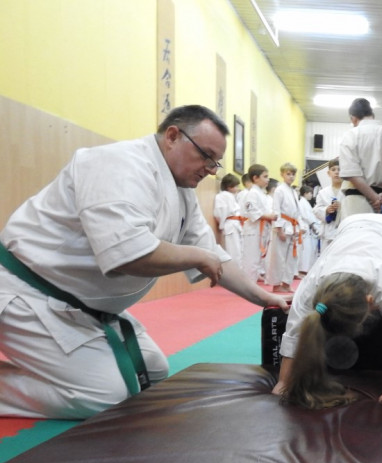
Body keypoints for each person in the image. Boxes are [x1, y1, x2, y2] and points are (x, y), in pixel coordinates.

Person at [0, 104, 289, 419]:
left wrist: (264, 298)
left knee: (152, 371)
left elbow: (214, 256)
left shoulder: (181, 191)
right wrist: (197, 256)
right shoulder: (117, 164)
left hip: (86, 307)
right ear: (173, 136)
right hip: (29, 294)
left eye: (215, 162)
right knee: (104, 395)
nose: (210, 169)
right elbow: (128, 255)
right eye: (206, 156)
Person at [272, 213, 382, 409]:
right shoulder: (312, 285)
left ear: (370, 301)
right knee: (301, 316)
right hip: (349, 226)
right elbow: (295, 329)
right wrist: (284, 381)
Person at [338, 98, 382, 220]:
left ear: (353, 118)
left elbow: (352, 174)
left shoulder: (351, 135)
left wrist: (375, 198)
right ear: (373, 116)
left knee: (356, 232)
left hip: (356, 204)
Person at [265, 162, 304, 293]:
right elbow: (276, 210)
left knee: (292, 257)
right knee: (278, 257)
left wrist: (300, 227)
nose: (291, 176)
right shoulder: (279, 190)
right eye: (288, 174)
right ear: (282, 174)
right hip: (283, 226)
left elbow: (297, 212)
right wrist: (279, 229)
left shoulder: (293, 191)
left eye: (293, 174)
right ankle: (276, 285)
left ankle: (287, 283)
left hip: (292, 227)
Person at [240, 164, 275, 283]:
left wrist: (271, 216)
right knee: (251, 260)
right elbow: (250, 211)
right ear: (255, 178)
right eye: (265, 177)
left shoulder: (261, 193)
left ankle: (251, 284)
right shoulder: (252, 193)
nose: (268, 179)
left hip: (261, 230)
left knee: (257, 260)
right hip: (253, 231)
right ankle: (247, 285)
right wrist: (268, 216)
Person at [213, 173, 244, 268]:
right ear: (229, 186)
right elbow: (219, 212)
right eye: (236, 186)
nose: (238, 188)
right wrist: (221, 225)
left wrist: (221, 225)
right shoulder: (223, 196)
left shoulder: (229, 196)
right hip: (230, 225)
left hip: (234, 224)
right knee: (234, 252)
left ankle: (238, 271)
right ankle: (235, 271)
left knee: (237, 251)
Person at [313, 158, 343, 252]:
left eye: (339, 170)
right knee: (326, 258)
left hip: (343, 231)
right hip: (328, 233)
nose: (337, 172)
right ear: (328, 173)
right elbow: (316, 210)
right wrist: (326, 210)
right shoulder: (323, 193)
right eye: (333, 170)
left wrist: (342, 207)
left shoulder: (347, 192)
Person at [297, 184, 320, 276]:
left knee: (308, 250)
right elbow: (306, 216)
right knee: (305, 250)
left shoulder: (305, 203)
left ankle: (305, 269)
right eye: (310, 193)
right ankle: (302, 270)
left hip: (309, 227)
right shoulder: (302, 203)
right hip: (305, 227)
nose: (311, 195)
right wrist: (313, 224)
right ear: (305, 193)